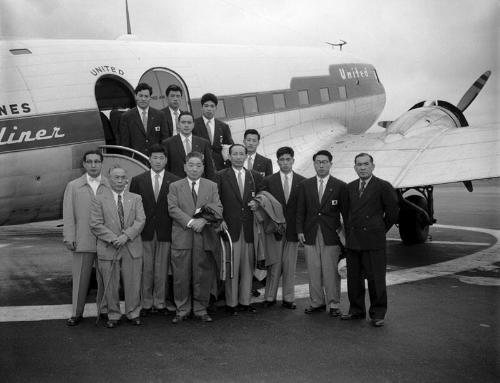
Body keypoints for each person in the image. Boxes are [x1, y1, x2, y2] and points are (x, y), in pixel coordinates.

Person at [341, 153, 399, 327]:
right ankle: (356, 310)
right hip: (353, 241)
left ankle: (378, 313)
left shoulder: (383, 186)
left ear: (373, 166)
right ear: (354, 167)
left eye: (366, 164)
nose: (363, 167)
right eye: (359, 165)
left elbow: (392, 213)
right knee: (354, 279)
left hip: (374, 240)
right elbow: (346, 212)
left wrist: (379, 229)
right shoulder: (349, 187)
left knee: (376, 280)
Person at [167, 151, 223, 323]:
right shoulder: (175, 186)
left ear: (203, 168)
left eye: (198, 165)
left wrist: (203, 221)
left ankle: (200, 308)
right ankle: (182, 309)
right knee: (181, 275)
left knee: (202, 274)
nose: (194, 169)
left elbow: (218, 208)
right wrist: (192, 222)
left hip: (204, 237)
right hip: (182, 237)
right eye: (191, 165)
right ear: (185, 167)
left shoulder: (211, 186)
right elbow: (173, 209)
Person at [90, 165, 146, 328]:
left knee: (133, 282)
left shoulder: (136, 198)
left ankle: (133, 313)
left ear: (126, 180)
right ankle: (113, 314)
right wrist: (114, 239)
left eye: (123, 177)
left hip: (131, 246)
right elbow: (95, 224)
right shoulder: (99, 199)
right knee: (111, 283)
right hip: (109, 247)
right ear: (109, 179)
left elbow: (141, 221)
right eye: (116, 177)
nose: (120, 181)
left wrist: (126, 236)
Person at [129, 144, 179, 316]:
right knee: (146, 268)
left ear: (166, 160)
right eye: (155, 158)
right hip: (145, 231)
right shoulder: (137, 180)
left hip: (166, 230)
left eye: (161, 158)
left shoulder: (175, 180)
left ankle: (160, 302)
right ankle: (146, 302)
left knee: (162, 268)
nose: (158, 161)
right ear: (149, 159)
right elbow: (133, 208)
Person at [296, 150, 347, 316]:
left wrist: (345, 235)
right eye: (318, 162)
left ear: (331, 164)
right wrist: (300, 231)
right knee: (313, 270)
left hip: (331, 234)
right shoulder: (305, 185)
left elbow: (346, 213)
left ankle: (334, 304)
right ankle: (316, 302)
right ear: (314, 164)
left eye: (325, 162)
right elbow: (300, 211)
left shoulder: (340, 186)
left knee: (331, 271)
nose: (321, 165)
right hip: (310, 233)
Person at [63, 150, 109, 326]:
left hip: (105, 240)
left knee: (105, 277)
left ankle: (104, 310)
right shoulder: (73, 186)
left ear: (101, 163)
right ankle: (76, 313)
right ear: (84, 164)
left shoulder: (109, 184)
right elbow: (68, 214)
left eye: (97, 161)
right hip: (82, 239)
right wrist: (69, 236)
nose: (93, 165)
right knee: (80, 279)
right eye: (89, 162)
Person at [216, 144, 263, 315]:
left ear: (246, 156)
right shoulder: (220, 176)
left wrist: (258, 202)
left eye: (241, 154)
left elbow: (263, 193)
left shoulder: (254, 176)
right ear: (229, 156)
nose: (237, 157)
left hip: (249, 228)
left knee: (247, 267)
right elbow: (215, 200)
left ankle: (245, 301)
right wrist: (219, 219)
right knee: (232, 267)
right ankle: (231, 303)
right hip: (230, 228)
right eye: (234, 154)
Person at [261, 147, 306, 309]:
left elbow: (303, 208)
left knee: (290, 264)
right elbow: (264, 205)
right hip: (275, 230)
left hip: (293, 230)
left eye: (288, 159)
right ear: (277, 161)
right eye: (282, 160)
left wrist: (302, 230)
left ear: (293, 160)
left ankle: (288, 298)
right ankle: (270, 296)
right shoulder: (268, 181)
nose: (285, 163)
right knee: (274, 263)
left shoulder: (303, 181)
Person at [119, 82, 169, 156]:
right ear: (135, 96)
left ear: (150, 98)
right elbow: (125, 143)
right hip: (136, 160)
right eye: (140, 96)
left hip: (156, 159)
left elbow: (165, 139)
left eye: (146, 96)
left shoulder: (160, 115)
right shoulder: (126, 117)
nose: (143, 99)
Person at [164, 111, 216, 180]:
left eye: (189, 122)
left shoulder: (203, 143)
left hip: (200, 183)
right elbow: (166, 168)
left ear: (193, 125)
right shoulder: (168, 143)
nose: (186, 125)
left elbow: (209, 168)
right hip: (177, 184)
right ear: (178, 124)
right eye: (183, 122)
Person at [193, 93, 234, 170]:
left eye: (212, 106)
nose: (209, 109)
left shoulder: (223, 126)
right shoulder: (194, 125)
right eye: (206, 106)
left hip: (220, 166)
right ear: (201, 108)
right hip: (201, 166)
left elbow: (231, 146)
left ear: (216, 108)